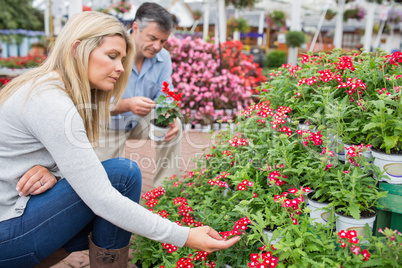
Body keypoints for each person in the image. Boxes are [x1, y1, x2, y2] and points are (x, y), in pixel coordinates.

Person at [0, 11, 239, 268]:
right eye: (112, 56)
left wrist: (53, 173)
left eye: (122, 59)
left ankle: (159, 197)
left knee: (121, 181)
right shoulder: (50, 100)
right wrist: (185, 236)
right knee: (121, 178)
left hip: (18, 214)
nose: (120, 68)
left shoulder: (51, 87)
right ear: (78, 49)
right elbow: (99, 195)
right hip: (8, 233)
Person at [94, 2, 182, 188]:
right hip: (108, 124)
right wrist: (126, 104)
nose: (157, 46)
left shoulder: (163, 57)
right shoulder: (112, 52)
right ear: (135, 27)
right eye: (152, 38)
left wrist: (168, 114)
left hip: (141, 120)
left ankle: (164, 192)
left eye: (163, 41)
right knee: (102, 182)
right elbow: (94, 103)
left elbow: (166, 93)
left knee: (175, 127)